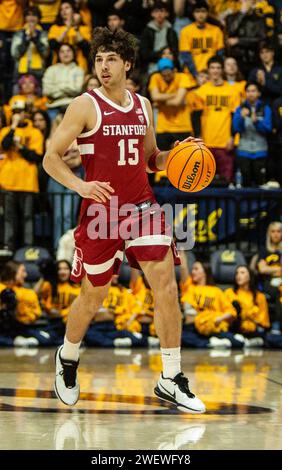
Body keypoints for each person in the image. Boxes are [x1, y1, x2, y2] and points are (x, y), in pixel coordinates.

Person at [43, 26, 206, 413]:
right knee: (93, 294)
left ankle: (170, 377)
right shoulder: (84, 106)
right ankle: (67, 357)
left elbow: (151, 158)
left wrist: (177, 156)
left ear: (127, 63)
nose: (103, 66)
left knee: (166, 284)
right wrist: (80, 186)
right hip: (101, 212)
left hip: (142, 207)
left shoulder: (143, 105)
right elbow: (51, 158)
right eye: (99, 59)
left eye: (111, 59)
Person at [232, 81, 272, 187]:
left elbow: (268, 129)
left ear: (259, 93)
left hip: (260, 151)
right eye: (248, 91)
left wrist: (257, 122)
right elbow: (236, 128)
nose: (251, 93)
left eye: (253, 91)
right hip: (243, 151)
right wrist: (241, 118)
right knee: (245, 185)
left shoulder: (265, 108)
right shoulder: (240, 109)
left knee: (261, 185)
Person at [225, 265, 270, 344]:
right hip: (234, 329)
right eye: (237, 273)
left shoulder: (260, 297)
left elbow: (264, 322)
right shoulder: (229, 293)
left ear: (250, 276)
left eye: (242, 273)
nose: (238, 275)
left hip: (254, 330)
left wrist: (248, 314)